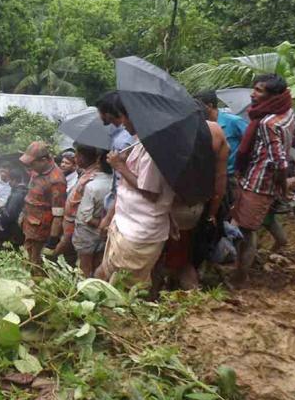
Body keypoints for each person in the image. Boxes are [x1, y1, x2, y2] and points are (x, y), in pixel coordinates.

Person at [231, 74, 295, 286]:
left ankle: (240, 278)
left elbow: (279, 162)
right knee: (249, 227)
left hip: (259, 184)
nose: (253, 93)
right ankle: (243, 268)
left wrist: (286, 184)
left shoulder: (268, 122)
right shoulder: (288, 113)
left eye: (258, 90)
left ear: (273, 95)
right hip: (266, 183)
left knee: (246, 231)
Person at [95, 97, 175, 286]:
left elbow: (151, 192)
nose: (122, 122)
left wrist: (120, 166)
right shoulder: (140, 141)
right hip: (128, 224)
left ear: (135, 117)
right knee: (106, 277)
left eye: (124, 117)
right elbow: (126, 185)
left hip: (138, 231)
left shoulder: (154, 149)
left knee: (121, 288)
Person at [158, 118, 228, 291]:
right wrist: (212, 213)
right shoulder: (215, 132)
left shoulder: (170, 136)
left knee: (171, 258)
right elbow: (220, 181)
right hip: (197, 206)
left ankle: (180, 293)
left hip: (174, 207)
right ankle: (177, 290)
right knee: (183, 251)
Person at [54, 144, 106, 269]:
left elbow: (81, 206)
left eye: (77, 155)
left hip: (81, 224)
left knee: (83, 261)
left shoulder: (92, 178)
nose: (75, 157)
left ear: (83, 157)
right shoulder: (85, 173)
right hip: (74, 223)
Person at [20, 142, 66, 272]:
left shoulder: (56, 180)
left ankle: (36, 287)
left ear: (44, 160)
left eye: (32, 163)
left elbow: (58, 215)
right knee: (28, 259)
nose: (30, 166)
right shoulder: (36, 171)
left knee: (37, 265)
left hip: (42, 231)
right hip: (29, 224)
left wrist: (52, 242)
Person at [196, 90, 249, 204]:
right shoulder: (201, 124)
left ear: (209, 106)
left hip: (232, 176)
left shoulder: (234, 121)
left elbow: (251, 143)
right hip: (212, 175)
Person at [96, 92, 136, 232]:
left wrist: (109, 217)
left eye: (99, 112)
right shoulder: (119, 136)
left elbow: (122, 182)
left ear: (108, 113)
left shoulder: (123, 140)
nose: (98, 116)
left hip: (120, 209)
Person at [72, 152, 113, 277]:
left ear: (98, 162)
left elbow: (86, 217)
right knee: (99, 263)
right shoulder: (116, 183)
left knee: (84, 266)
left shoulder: (92, 185)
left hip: (87, 232)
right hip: (105, 232)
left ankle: (82, 291)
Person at [0, 167, 28, 250]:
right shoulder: (25, 191)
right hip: (20, 228)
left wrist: (1, 208)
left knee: (6, 249)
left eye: (9, 180)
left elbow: (9, 215)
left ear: (14, 180)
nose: (9, 182)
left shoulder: (17, 194)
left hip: (12, 229)